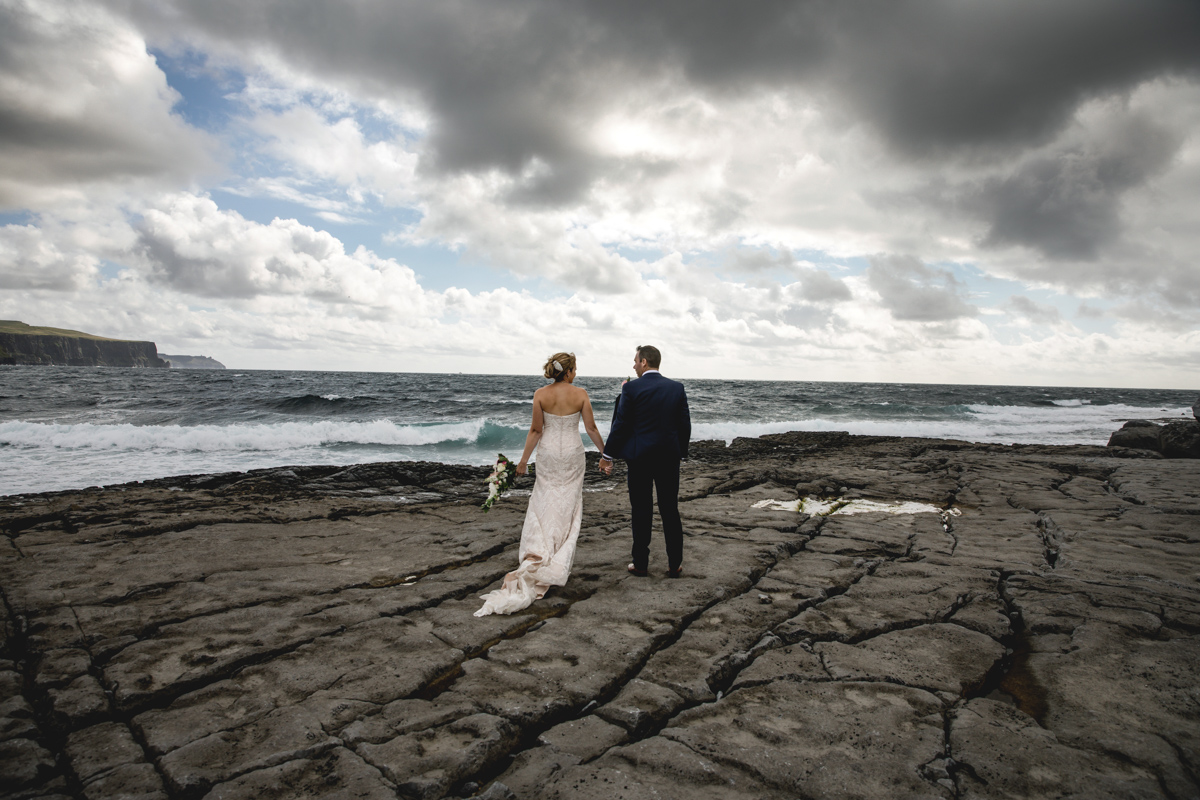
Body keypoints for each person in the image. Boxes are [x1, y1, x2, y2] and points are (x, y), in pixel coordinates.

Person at [474, 352, 607, 617]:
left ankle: (539, 553)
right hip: (571, 455)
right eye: (575, 369)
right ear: (568, 372)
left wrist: (523, 460)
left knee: (544, 500)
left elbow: (536, 430)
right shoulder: (580, 394)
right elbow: (591, 428)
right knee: (567, 505)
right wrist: (605, 454)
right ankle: (555, 558)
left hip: (547, 455)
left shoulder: (540, 394)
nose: (576, 373)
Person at [599, 345, 691, 578]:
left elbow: (621, 425)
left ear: (644, 363)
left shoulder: (631, 389)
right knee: (670, 509)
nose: (633, 365)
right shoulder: (676, 388)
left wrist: (607, 455)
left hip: (639, 459)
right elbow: (684, 424)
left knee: (641, 509)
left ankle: (640, 563)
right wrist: (681, 452)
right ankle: (674, 564)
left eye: (635, 361)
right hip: (669, 458)